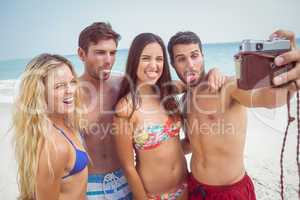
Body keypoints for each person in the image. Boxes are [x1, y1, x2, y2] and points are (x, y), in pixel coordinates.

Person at [167, 30, 300, 200]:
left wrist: (290, 81)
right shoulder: (185, 99)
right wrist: (158, 149)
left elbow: (268, 99)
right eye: (181, 59)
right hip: (194, 187)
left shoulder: (228, 87)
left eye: (194, 55)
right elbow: (190, 143)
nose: (190, 64)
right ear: (173, 64)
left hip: (229, 192)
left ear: (203, 55)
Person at [113, 32, 225, 200]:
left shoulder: (168, 91)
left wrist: (215, 71)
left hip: (187, 187)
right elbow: (128, 167)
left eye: (159, 59)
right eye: (146, 58)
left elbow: (196, 81)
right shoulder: (125, 108)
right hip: (154, 195)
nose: (154, 65)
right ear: (135, 60)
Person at [12, 54, 88, 200]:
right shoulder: (54, 146)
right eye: (59, 86)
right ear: (40, 93)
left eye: (72, 82)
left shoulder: (63, 124)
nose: (70, 91)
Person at [77, 22, 132, 199]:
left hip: (127, 180)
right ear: (81, 54)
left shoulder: (124, 84)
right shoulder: (69, 94)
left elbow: (166, 87)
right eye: (100, 52)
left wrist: (213, 74)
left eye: (113, 53)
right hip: (89, 186)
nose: (108, 60)